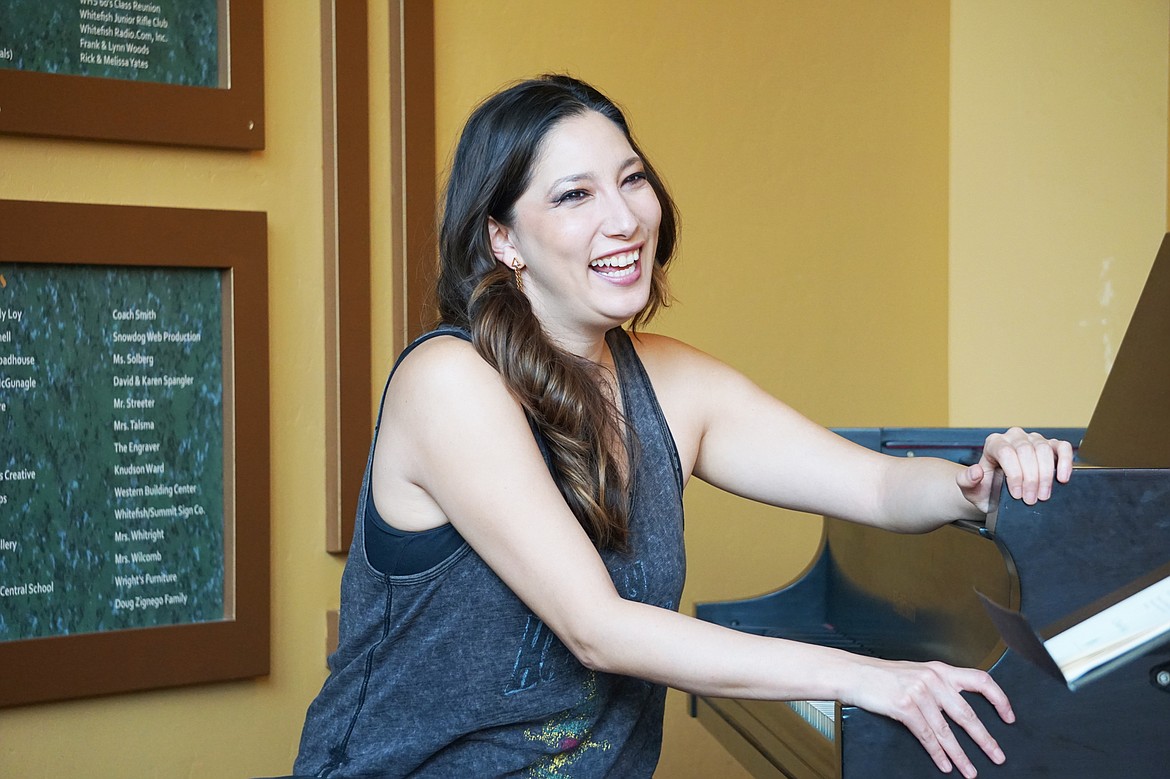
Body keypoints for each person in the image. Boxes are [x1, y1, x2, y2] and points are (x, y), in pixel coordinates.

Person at [292, 74, 1074, 779]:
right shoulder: (450, 382)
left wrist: (980, 485)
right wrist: (865, 675)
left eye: (632, 179)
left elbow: (874, 482)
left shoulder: (669, 380)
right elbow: (598, 628)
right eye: (574, 196)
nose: (624, 217)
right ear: (503, 238)